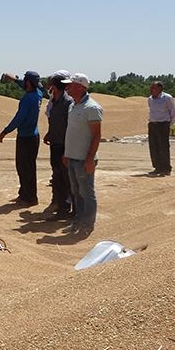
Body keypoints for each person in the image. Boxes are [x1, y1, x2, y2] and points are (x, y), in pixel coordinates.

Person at [61, 73, 103, 236]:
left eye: (70, 85)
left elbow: (96, 135)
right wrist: (67, 153)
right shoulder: (73, 105)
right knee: (76, 192)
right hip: (72, 157)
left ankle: (87, 224)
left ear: (80, 87)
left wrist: (90, 159)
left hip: (84, 159)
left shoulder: (92, 108)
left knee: (86, 193)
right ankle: (78, 221)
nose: (67, 87)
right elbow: (71, 132)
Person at [0, 70, 43, 206]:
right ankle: (24, 194)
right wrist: (14, 79)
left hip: (26, 138)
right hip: (33, 136)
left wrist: (4, 132)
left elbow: (18, 119)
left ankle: (30, 198)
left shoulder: (27, 99)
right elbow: (27, 85)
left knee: (24, 168)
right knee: (28, 167)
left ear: (28, 83)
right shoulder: (38, 93)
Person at [43, 70, 73, 220]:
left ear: (54, 87)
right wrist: (50, 133)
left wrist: (67, 151)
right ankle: (60, 206)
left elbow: (70, 127)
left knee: (66, 178)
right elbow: (55, 121)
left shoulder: (68, 103)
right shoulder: (54, 101)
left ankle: (67, 208)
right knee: (57, 177)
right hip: (55, 144)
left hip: (64, 146)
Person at [147, 81, 175, 176]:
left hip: (163, 124)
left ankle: (166, 168)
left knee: (163, 147)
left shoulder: (167, 98)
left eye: (153, 88)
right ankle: (157, 167)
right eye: (151, 88)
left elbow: (174, 112)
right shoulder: (150, 99)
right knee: (153, 147)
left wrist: (169, 124)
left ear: (159, 89)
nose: (151, 90)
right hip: (152, 124)